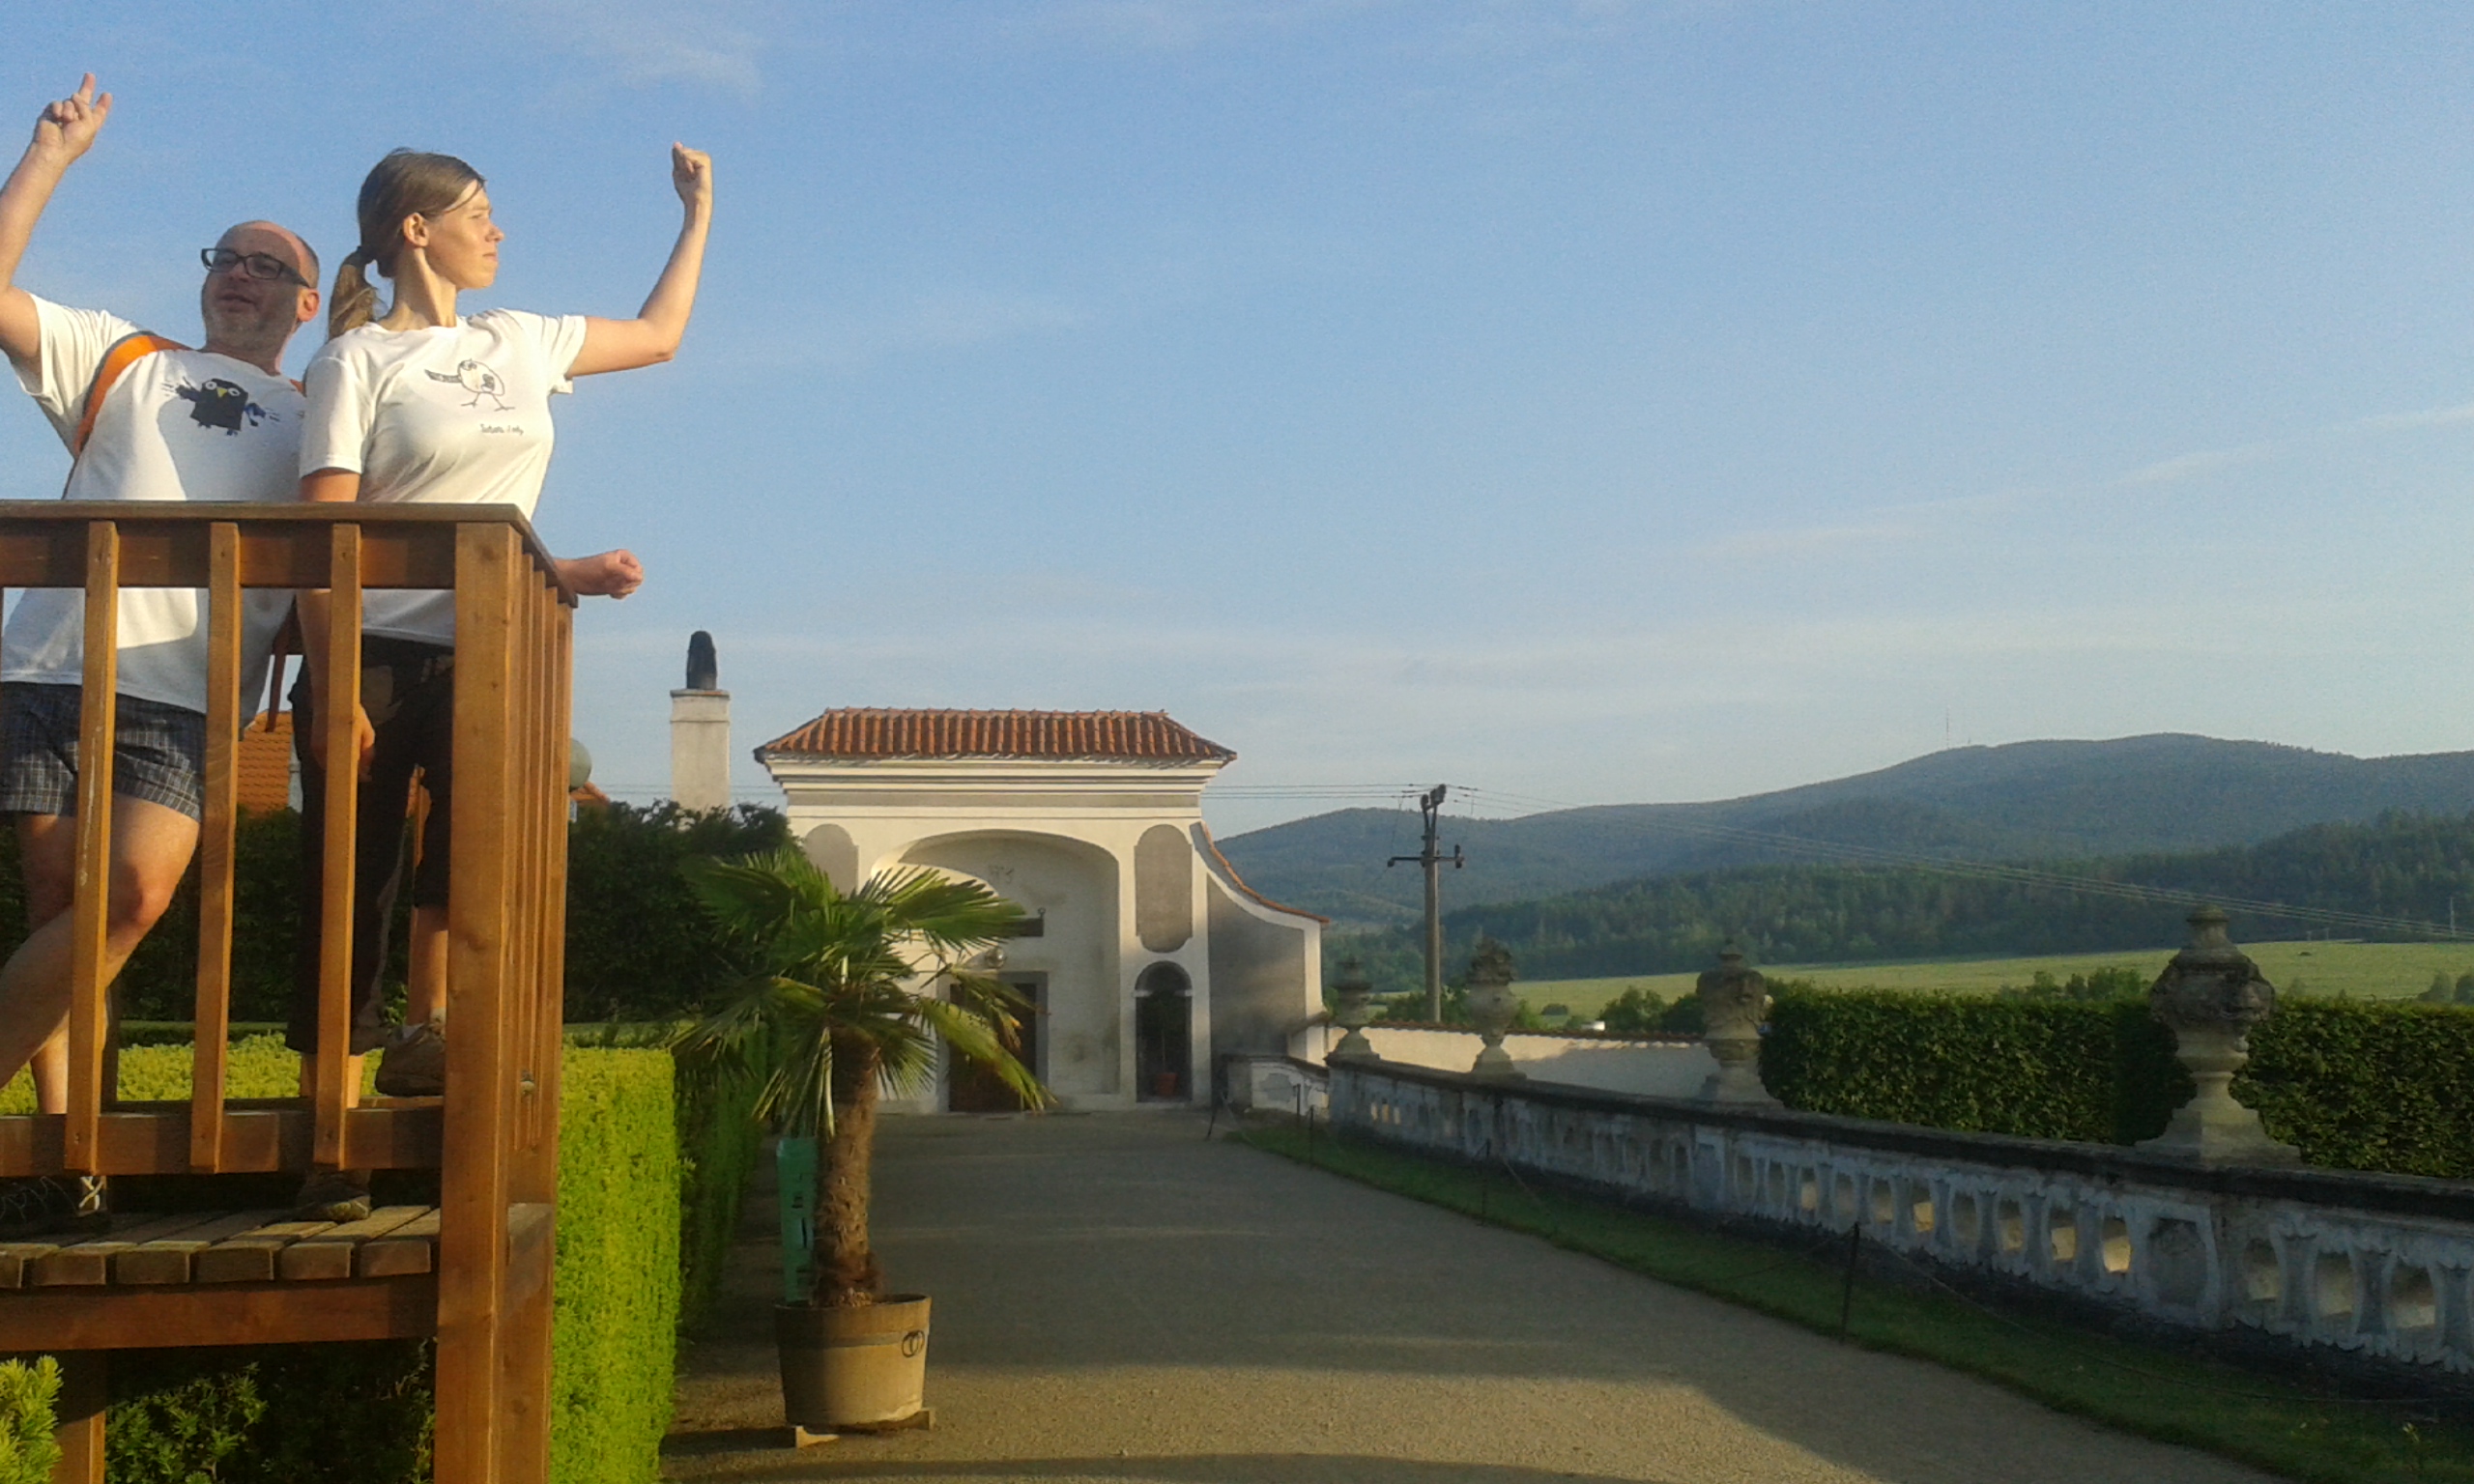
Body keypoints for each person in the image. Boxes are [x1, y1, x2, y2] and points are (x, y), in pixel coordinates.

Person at [289, 143, 711, 1216]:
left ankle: (429, 1044)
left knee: (477, 856)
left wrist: (695, 215)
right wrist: (333, 688)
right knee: (354, 881)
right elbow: (323, 533)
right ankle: (330, 1140)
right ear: (416, 230)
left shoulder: (518, 339)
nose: (498, 230)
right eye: (478, 213)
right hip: (372, 651)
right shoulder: (355, 360)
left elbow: (659, 336)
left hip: (487, 644)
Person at [0, 75, 318, 1235]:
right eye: (226, 256)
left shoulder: (317, 414)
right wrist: (49, 157)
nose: (240, 274)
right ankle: (69, 1160)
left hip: (189, 693)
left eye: (267, 266)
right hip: (52, 664)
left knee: (128, 896)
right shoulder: (122, 357)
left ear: (306, 303)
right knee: (57, 901)